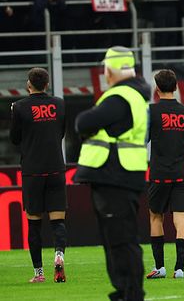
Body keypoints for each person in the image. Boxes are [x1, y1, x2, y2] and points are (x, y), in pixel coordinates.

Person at [74, 47, 151, 301]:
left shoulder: (120, 96)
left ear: (109, 70)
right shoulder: (134, 95)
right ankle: (126, 291)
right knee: (118, 239)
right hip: (121, 174)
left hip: (114, 174)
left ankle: (130, 293)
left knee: (120, 240)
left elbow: (83, 123)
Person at [10, 68, 67, 283]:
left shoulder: (20, 107)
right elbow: (61, 132)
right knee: (58, 220)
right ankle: (59, 255)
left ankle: (39, 273)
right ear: (47, 83)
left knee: (34, 222)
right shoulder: (60, 104)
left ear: (29, 84)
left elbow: (15, 139)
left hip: (33, 170)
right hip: (56, 168)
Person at [146, 70, 184, 279]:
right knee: (181, 220)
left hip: (159, 173)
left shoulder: (151, 111)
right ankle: (180, 269)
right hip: (181, 172)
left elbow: (143, 139)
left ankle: (160, 267)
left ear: (157, 88)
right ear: (175, 87)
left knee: (156, 217)